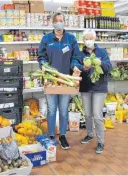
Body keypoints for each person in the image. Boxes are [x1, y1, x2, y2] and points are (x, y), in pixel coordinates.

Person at [38, 12, 79, 150]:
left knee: (63, 110)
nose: (59, 23)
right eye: (57, 21)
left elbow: (76, 57)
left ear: (64, 22)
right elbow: (41, 56)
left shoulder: (71, 39)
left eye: (61, 20)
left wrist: (75, 67)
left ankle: (62, 135)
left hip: (66, 80)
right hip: (51, 80)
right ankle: (50, 136)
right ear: (53, 23)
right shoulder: (46, 38)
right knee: (51, 109)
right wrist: (43, 64)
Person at [71, 29, 112, 154]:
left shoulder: (102, 52)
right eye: (86, 38)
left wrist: (101, 63)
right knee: (88, 113)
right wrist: (80, 67)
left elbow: (109, 67)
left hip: (99, 88)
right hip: (85, 87)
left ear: (94, 39)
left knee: (97, 115)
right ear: (83, 40)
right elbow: (73, 63)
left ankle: (100, 141)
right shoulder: (79, 53)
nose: (88, 41)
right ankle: (89, 134)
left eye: (91, 38)